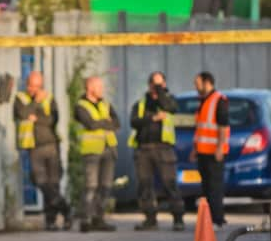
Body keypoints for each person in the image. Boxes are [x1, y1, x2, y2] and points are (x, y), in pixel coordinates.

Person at [13, 71, 71, 231]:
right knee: (40, 181)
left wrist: (36, 117)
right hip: (33, 146)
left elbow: (52, 120)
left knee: (53, 183)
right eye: (32, 85)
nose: (34, 89)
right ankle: (65, 208)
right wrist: (36, 104)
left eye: (38, 86)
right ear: (27, 84)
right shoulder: (20, 98)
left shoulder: (50, 98)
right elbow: (22, 113)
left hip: (51, 144)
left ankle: (51, 221)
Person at [129, 72, 185, 231]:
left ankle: (178, 218)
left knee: (170, 184)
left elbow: (170, 108)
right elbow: (133, 121)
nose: (157, 87)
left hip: (163, 148)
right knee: (145, 184)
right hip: (144, 149)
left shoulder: (168, 100)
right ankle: (150, 218)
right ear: (149, 85)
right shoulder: (141, 103)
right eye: (155, 84)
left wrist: (160, 92)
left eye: (161, 84)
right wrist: (152, 118)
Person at [75, 76, 119, 232]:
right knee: (91, 187)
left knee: (105, 187)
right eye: (99, 87)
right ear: (90, 88)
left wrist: (103, 123)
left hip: (109, 149)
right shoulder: (81, 106)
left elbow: (117, 123)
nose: (102, 90)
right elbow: (90, 124)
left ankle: (98, 219)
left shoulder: (105, 104)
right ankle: (85, 220)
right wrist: (106, 122)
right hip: (92, 151)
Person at [190, 71, 229, 227]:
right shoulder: (204, 101)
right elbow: (200, 129)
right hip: (203, 152)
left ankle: (217, 219)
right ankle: (209, 219)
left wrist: (220, 147)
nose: (195, 87)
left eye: (197, 83)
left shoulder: (219, 100)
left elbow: (223, 126)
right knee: (207, 188)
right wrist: (195, 148)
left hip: (214, 152)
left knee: (214, 187)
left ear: (207, 83)